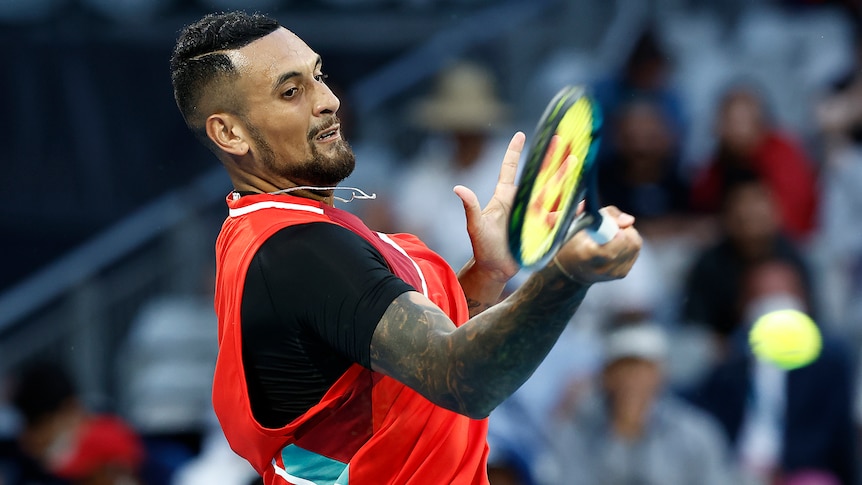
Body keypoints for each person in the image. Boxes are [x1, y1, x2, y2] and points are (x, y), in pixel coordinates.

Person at [169, 10, 641, 485]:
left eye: (319, 76)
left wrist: (487, 274)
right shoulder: (300, 251)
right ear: (230, 133)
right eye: (292, 92)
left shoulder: (289, 233)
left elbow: (409, 375)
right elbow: (461, 380)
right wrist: (569, 274)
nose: (329, 101)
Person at [685, 260, 856, 485]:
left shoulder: (829, 364)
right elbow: (706, 421)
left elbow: (835, 436)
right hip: (735, 472)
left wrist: (781, 468)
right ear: (744, 305)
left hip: (800, 473)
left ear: (802, 299)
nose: (774, 305)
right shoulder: (729, 365)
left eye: (782, 293)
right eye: (763, 295)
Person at [538, 322, 737, 485]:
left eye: (643, 369)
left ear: (660, 375)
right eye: (623, 369)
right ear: (606, 377)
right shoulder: (575, 428)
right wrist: (619, 435)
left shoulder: (695, 432)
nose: (632, 379)